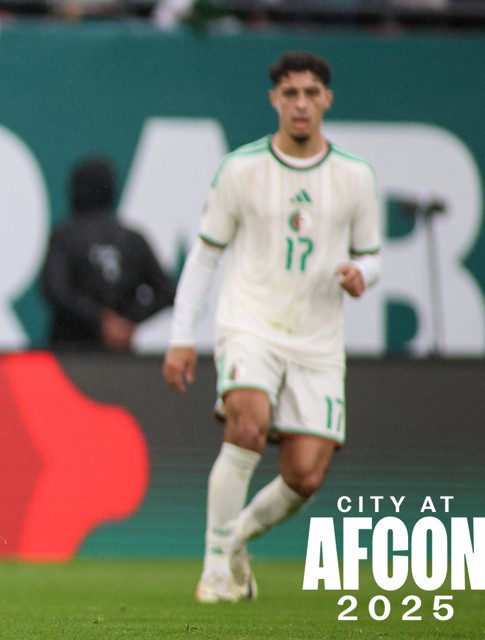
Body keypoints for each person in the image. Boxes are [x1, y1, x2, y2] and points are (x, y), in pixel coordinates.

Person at [162, 51, 381, 602]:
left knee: (306, 475)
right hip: (250, 323)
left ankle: (234, 539)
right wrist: (181, 335)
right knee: (246, 427)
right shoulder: (241, 169)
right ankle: (215, 569)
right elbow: (206, 255)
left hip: (317, 338)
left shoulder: (355, 177)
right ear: (274, 100)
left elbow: (372, 255)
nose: (301, 104)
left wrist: (363, 275)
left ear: (327, 99)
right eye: (290, 94)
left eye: (311, 93)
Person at [41, 155, 175, 352]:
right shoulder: (133, 239)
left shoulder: (65, 237)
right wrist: (124, 322)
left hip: (71, 355)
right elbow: (167, 291)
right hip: (118, 358)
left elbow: (56, 291)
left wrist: (101, 320)